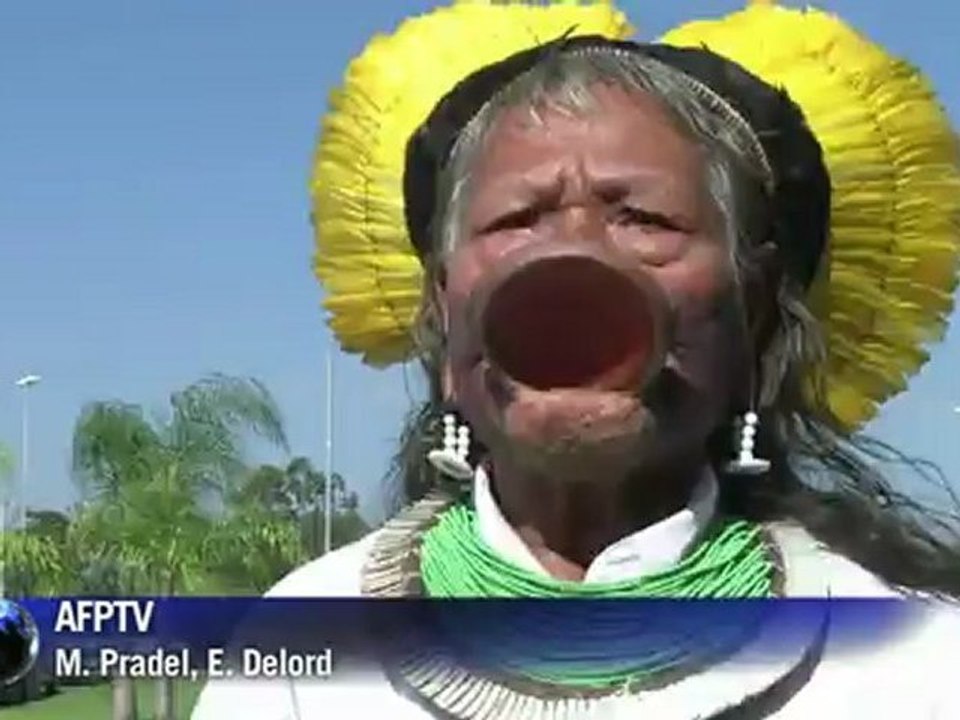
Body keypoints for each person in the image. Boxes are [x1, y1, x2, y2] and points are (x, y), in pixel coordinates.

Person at [192, 1, 960, 717]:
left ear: (752, 314)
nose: (571, 256)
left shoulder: (919, 667)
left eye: (642, 219)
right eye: (518, 219)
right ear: (443, 315)